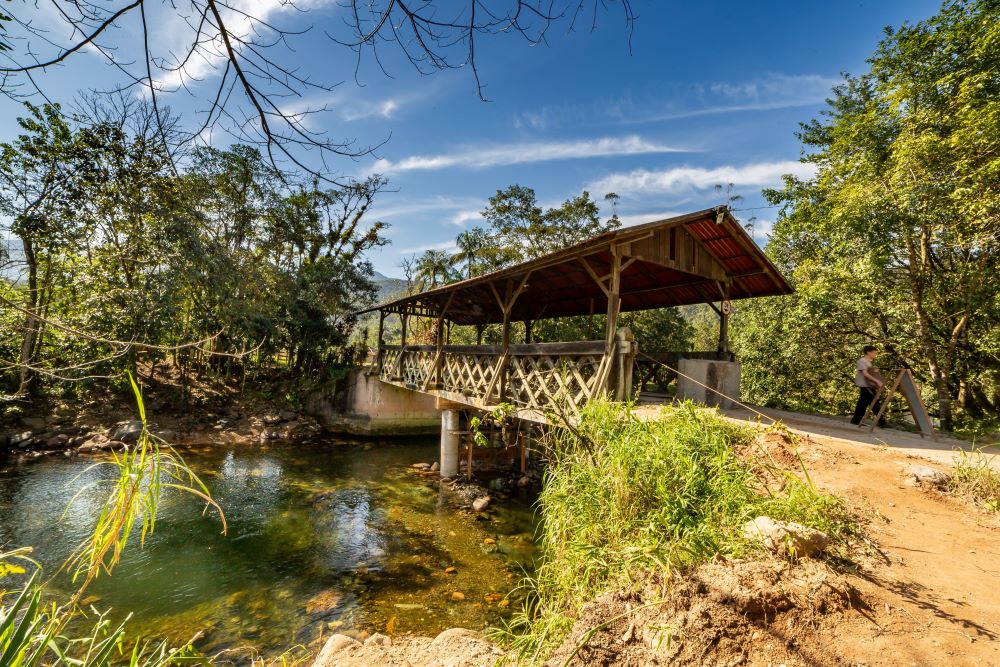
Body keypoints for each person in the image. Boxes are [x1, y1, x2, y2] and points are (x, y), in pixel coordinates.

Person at [850, 345, 884, 426]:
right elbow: (865, 374)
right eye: (874, 353)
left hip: (869, 386)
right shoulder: (862, 361)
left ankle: (855, 420)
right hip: (866, 386)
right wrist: (877, 381)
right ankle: (882, 422)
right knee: (874, 403)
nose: (875, 354)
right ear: (868, 352)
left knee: (863, 404)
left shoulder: (868, 362)